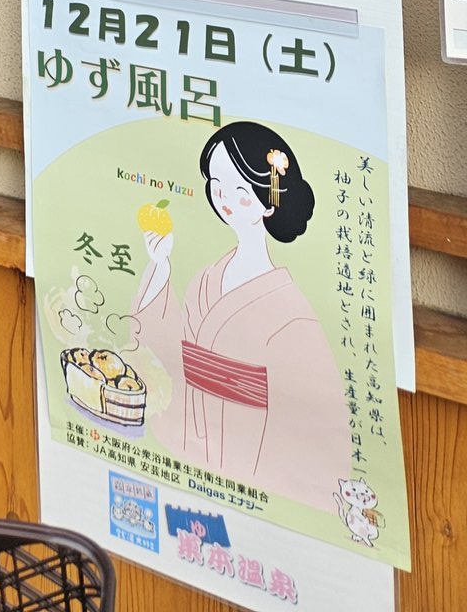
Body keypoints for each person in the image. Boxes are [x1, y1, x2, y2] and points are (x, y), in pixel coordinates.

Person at [135, 120, 351, 514]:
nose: (225, 198)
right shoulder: (205, 278)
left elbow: (314, 428)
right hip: (192, 455)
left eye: (240, 189)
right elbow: (169, 356)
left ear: (270, 201)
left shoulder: (293, 316)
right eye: (218, 184)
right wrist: (161, 267)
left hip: (253, 470)